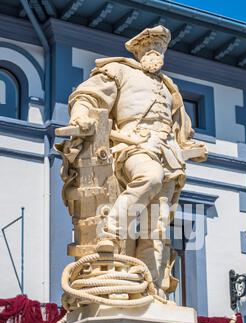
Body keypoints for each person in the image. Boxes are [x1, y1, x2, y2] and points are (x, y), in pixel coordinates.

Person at [67, 25, 207, 297]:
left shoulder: (170, 89)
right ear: (139, 50)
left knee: (157, 224)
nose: (156, 55)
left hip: (169, 155)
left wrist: (191, 147)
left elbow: (180, 129)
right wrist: (80, 116)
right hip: (133, 146)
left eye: (160, 50)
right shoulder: (119, 71)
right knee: (149, 176)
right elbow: (87, 96)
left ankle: (150, 287)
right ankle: (111, 232)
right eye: (151, 48)